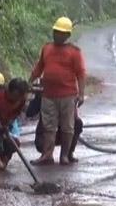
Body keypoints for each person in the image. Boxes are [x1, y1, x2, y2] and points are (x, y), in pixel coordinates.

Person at [29, 17, 86, 165]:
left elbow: (81, 73)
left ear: (67, 35)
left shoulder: (74, 52)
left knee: (68, 126)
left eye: (61, 33)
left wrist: (81, 94)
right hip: (48, 95)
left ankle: (65, 155)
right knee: (48, 126)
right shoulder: (47, 48)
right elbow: (39, 67)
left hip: (68, 96)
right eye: (56, 32)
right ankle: (47, 155)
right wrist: (29, 82)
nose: (57, 35)